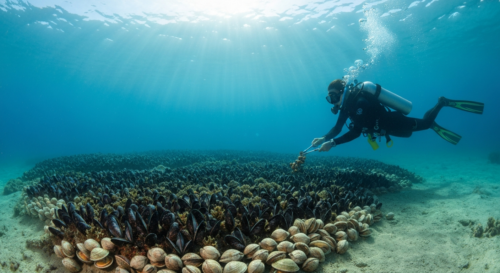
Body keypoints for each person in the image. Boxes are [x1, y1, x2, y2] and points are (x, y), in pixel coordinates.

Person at [312, 79, 484, 152]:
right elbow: (338, 127)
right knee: (412, 132)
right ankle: (431, 122)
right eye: (329, 98)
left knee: (425, 124)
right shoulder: (347, 107)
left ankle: (442, 103)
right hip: (388, 129)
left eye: (334, 96)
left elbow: (356, 131)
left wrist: (333, 143)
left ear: (343, 92)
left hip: (394, 123)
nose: (332, 101)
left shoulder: (360, 103)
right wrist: (324, 137)